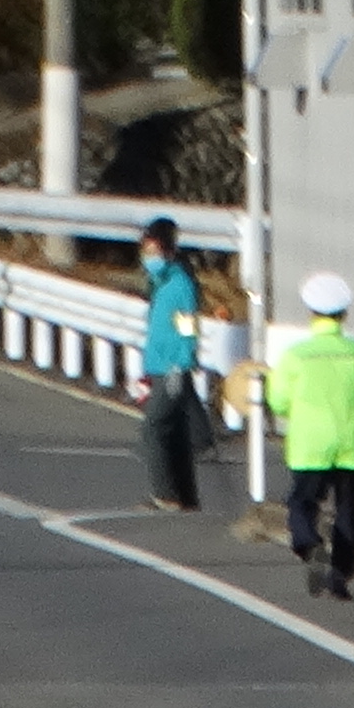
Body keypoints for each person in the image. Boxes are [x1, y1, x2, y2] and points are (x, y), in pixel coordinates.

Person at [242, 271, 354, 600]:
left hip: (310, 445)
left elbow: (278, 401)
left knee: (303, 503)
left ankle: (311, 546)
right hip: (353, 443)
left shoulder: (296, 355)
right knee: (349, 510)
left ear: (311, 313)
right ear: (344, 314)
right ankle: (342, 569)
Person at [132, 217, 212, 513]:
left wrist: (182, 363)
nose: (148, 258)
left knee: (154, 427)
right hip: (159, 365)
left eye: (153, 251)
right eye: (146, 251)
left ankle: (164, 494)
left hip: (172, 368)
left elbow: (187, 329)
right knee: (178, 433)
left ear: (167, 251)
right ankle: (185, 496)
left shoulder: (180, 286)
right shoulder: (159, 284)